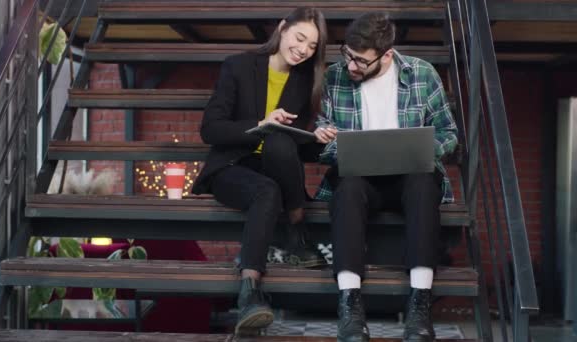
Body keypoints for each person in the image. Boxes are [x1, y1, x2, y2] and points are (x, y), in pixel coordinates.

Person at [313, 13, 458, 342]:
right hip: (359, 179)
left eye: (361, 61)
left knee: (423, 183)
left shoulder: (421, 74)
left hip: (410, 177)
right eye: (348, 55)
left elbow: (449, 133)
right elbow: (319, 140)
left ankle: (419, 304)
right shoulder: (334, 77)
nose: (352, 66)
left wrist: (424, 151)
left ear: (387, 54)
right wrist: (325, 139)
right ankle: (350, 305)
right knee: (347, 187)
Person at [192, 7, 328, 335]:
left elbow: (297, 146)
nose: (304, 50)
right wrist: (259, 124)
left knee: (281, 144)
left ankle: (294, 233)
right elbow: (210, 129)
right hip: (232, 168)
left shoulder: (304, 79)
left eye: (312, 46)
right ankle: (251, 292)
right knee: (267, 190)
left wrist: (321, 139)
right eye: (300, 38)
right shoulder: (239, 66)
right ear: (282, 29)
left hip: (274, 166)